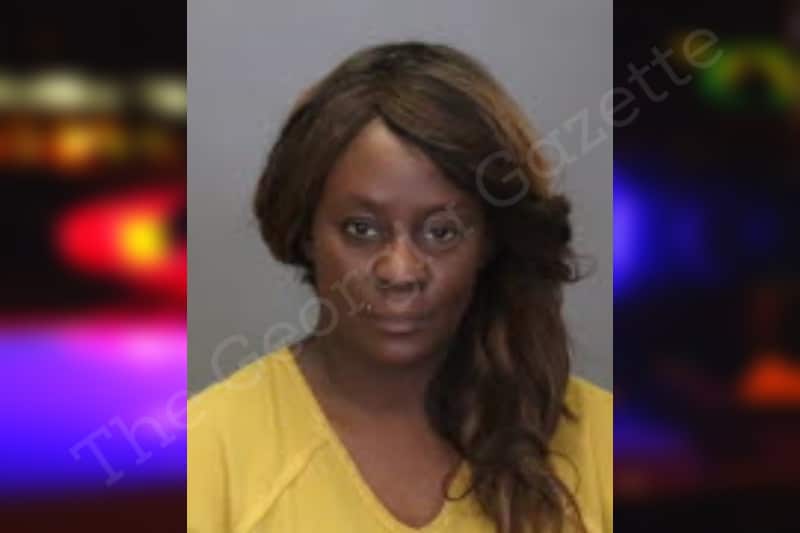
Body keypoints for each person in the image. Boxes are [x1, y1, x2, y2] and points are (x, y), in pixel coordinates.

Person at [188, 42, 611, 533]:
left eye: (442, 232)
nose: (401, 272)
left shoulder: (601, 440)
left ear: (490, 241)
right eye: (361, 229)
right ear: (307, 233)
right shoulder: (206, 452)